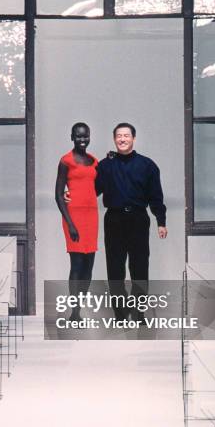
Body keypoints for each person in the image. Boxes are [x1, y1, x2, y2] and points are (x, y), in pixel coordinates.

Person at [95, 123, 167, 321]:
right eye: (119, 136)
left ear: (133, 138)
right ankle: (119, 313)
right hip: (114, 220)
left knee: (140, 268)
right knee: (115, 269)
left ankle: (139, 313)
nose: (122, 139)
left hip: (138, 219)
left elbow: (156, 196)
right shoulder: (105, 165)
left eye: (126, 135)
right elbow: (92, 189)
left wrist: (161, 221)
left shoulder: (147, 165)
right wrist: (70, 192)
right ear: (114, 139)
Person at [55, 122, 98, 322]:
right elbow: (58, 194)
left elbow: (95, 189)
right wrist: (70, 224)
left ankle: (79, 308)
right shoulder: (66, 161)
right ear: (72, 137)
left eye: (86, 136)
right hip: (74, 217)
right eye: (79, 136)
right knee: (77, 264)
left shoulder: (94, 161)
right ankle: (75, 312)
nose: (83, 139)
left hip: (91, 217)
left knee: (89, 266)